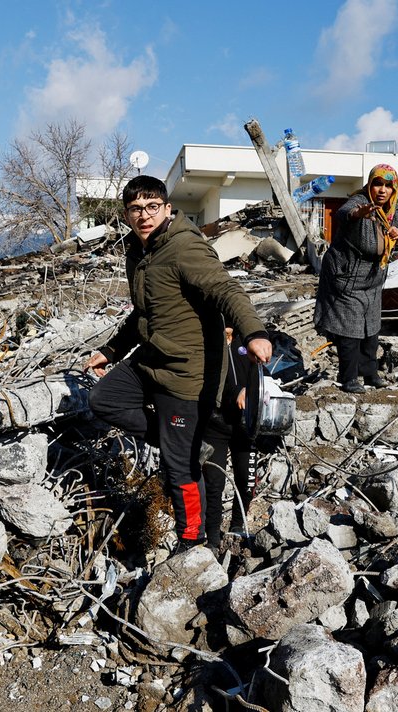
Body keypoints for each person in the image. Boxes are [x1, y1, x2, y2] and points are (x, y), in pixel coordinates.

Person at [85, 175, 272, 553]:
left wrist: (253, 332)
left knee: (178, 469)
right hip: (152, 360)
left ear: (167, 209)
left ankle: (193, 539)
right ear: (126, 215)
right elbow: (143, 313)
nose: (145, 215)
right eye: (136, 209)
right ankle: (187, 444)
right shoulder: (139, 253)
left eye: (153, 207)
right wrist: (112, 350)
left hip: (186, 373)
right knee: (103, 399)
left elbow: (226, 289)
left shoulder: (185, 247)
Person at [314, 164, 398, 394]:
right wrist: (359, 214)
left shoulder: (388, 212)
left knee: (371, 330)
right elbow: (345, 213)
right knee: (350, 331)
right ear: (369, 185)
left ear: (394, 190)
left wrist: (396, 235)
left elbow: (387, 241)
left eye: (388, 186)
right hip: (346, 280)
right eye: (377, 184)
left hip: (371, 282)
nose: (382, 190)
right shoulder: (359, 203)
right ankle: (349, 378)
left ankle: (370, 374)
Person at [202, 327, 259, 552]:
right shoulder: (204, 340)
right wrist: (235, 391)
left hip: (246, 425)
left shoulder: (248, 340)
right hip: (215, 422)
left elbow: (262, 373)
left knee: (246, 480)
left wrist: (250, 391)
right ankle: (213, 538)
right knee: (214, 483)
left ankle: (238, 526)